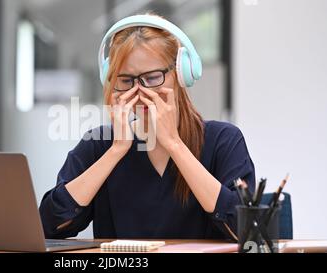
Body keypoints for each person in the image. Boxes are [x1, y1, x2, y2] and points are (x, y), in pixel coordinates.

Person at [39, 14, 255, 240]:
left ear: (180, 74)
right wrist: (116, 151)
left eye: (152, 78)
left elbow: (245, 230)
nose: (140, 92)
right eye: (126, 81)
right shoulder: (99, 144)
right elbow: (48, 225)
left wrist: (174, 145)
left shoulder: (223, 140)